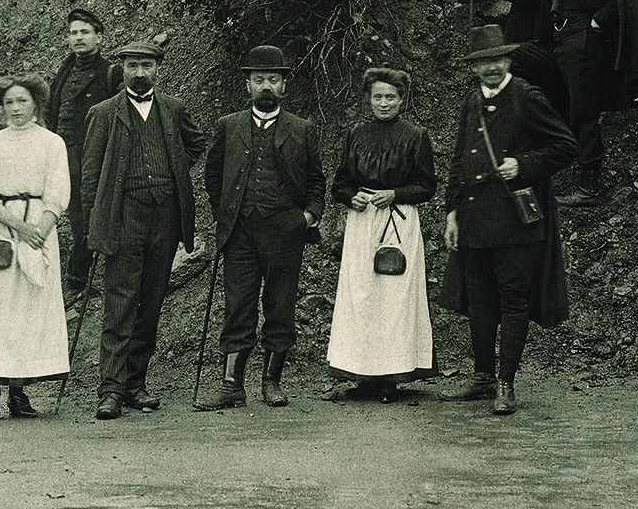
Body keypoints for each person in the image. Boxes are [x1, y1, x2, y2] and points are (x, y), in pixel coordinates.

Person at [466, 0, 638, 206]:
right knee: (516, 56)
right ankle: (534, 133)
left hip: (582, 50)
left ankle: (589, 185)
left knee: (583, 112)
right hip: (555, 47)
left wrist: (596, 23)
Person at [438, 26, 575, 416]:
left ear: (508, 60)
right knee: (480, 300)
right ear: (473, 68)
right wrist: (452, 213)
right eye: (483, 62)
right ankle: (482, 377)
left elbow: (566, 146)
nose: (491, 67)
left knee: (514, 301)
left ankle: (506, 383)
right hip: (474, 219)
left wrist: (525, 165)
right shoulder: (471, 102)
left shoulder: (527, 96)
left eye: (497, 59)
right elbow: (459, 160)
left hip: (517, 222)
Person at [81, 37, 206, 418]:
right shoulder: (104, 113)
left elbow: (196, 143)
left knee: (150, 303)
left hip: (165, 216)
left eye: (146, 66)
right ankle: (111, 389)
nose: (139, 73)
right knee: (120, 302)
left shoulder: (173, 108)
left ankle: (136, 384)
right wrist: (94, 223)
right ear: (122, 69)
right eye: (132, 65)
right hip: (122, 216)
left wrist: (173, 169)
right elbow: (90, 174)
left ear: (158, 70)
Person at [197, 45, 326, 411]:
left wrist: (307, 217)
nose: (265, 86)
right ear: (248, 86)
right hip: (239, 232)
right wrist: (224, 214)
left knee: (280, 306)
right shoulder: (229, 126)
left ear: (284, 86)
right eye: (258, 80)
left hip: (285, 231)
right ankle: (231, 386)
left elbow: (316, 180)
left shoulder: (302, 129)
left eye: (272, 79)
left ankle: (272, 382)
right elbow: (213, 176)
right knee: (238, 305)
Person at [0, 75, 71, 419]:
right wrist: (19, 228)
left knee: (29, 313)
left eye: (22, 101)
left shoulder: (52, 143)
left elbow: (58, 193)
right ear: (1, 108)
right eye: (9, 103)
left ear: (35, 103)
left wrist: (39, 232)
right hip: (0, 231)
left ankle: (18, 395)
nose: (16, 108)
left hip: (40, 229)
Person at [325, 68, 435, 403]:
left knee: (393, 299)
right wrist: (352, 197)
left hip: (399, 223)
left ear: (401, 100)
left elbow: (427, 186)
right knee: (361, 297)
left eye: (390, 97)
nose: (383, 103)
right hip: (362, 223)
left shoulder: (415, 135)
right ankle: (364, 375)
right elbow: (340, 184)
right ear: (368, 99)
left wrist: (395, 194)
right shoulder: (356, 134)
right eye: (377, 97)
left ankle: (391, 377)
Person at [46, 8, 124, 300]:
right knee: (75, 216)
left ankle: (78, 279)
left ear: (99, 37)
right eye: (73, 33)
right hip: (63, 155)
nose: (78, 38)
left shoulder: (110, 73)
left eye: (85, 32)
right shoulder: (64, 72)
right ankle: (77, 280)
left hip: (94, 155)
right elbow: (51, 112)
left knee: (90, 216)